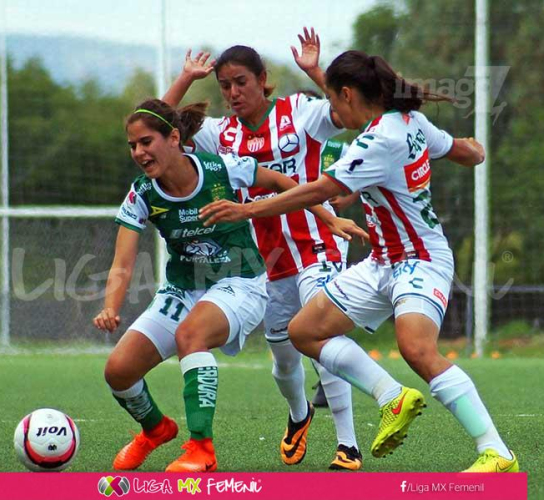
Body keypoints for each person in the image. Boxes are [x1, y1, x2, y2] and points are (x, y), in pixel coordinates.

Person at [199, 50, 519, 473]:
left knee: (417, 349)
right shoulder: (410, 122)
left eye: (332, 100)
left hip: (420, 261)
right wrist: (477, 153)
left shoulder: (378, 138)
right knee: (304, 331)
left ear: (348, 95)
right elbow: (460, 150)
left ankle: (496, 452)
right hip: (381, 263)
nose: (330, 110)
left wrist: (247, 210)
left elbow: (316, 190)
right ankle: (394, 396)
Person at [94, 98, 364, 473]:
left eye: (146, 142)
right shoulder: (142, 193)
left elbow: (281, 181)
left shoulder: (220, 168)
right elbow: (123, 261)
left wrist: (328, 218)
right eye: (133, 145)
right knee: (118, 371)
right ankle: (155, 430)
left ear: (174, 138)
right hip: (183, 289)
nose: (139, 152)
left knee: (192, 336)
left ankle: (201, 449)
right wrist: (111, 306)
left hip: (240, 281)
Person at [162, 28, 368, 470]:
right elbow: (161, 129)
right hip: (267, 263)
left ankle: (348, 446)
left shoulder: (298, 113)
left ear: (262, 79)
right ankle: (299, 415)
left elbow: (348, 110)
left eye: (241, 82)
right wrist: (184, 80)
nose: (233, 93)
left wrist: (316, 70)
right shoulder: (221, 135)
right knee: (284, 363)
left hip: (319, 243)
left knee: (324, 340)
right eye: (224, 86)